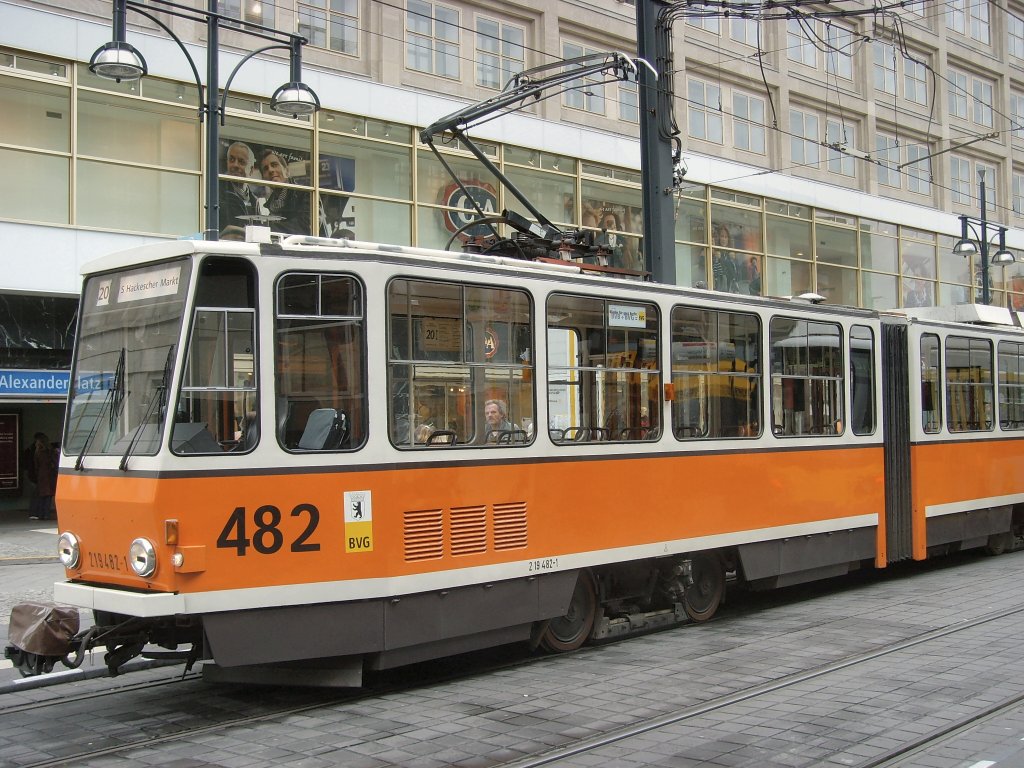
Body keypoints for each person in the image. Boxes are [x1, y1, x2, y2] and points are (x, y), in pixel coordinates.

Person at [259, 148, 312, 236]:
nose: (270, 170)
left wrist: (267, 228)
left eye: (274, 165)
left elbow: (307, 226)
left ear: (287, 171)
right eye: (265, 169)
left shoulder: (306, 192)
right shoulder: (271, 204)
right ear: (263, 179)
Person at [219, 141, 262, 239]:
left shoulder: (255, 201)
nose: (235, 165)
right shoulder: (216, 193)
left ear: (251, 170)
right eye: (232, 159)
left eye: (241, 162)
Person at [29, 432, 56, 521]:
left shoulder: (37, 452)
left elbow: (36, 466)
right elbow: (54, 463)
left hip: (41, 475)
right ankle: (46, 514)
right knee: (48, 495)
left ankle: (41, 514)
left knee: (41, 495)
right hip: (49, 475)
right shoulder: (49, 452)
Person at [712, 224, 738, 293]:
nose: (724, 239)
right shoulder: (714, 252)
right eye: (722, 236)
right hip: (716, 287)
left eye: (726, 237)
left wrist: (732, 260)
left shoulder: (730, 254)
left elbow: (735, 273)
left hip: (729, 288)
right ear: (718, 238)